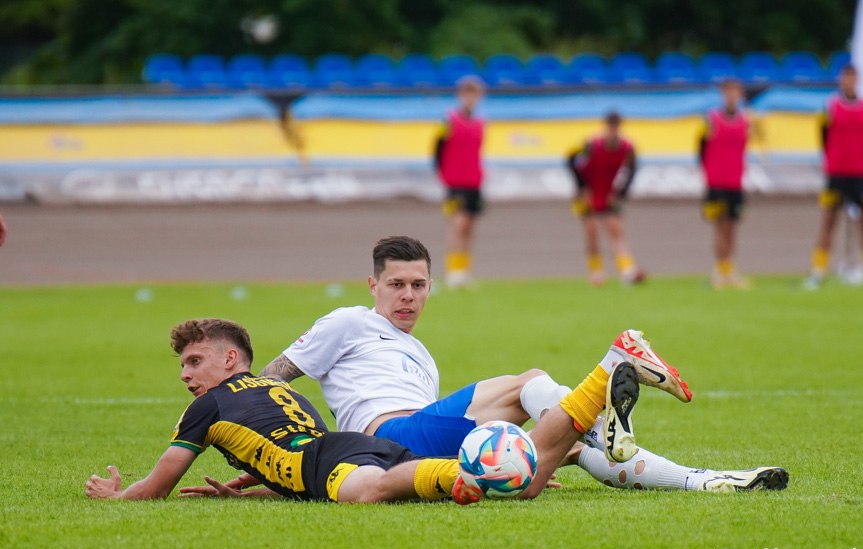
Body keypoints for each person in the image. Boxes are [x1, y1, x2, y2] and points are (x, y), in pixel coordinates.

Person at [255, 236, 787, 493]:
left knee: (559, 455)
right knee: (530, 382)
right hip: (387, 437)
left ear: (431, 286)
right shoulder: (347, 320)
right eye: (396, 285)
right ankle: (610, 372)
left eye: (419, 285)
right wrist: (278, 456)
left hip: (420, 448)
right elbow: (271, 382)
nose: (408, 296)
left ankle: (707, 481)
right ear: (373, 286)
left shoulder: (418, 350)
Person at [85, 319, 467, 504]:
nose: (185, 375)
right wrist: (254, 493)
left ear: (230, 358)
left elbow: (157, 488)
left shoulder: (207, 406)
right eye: (183, 366)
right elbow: (307, 460)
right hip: (355, 447)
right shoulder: (281, 388)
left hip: (330, 459)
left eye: (195, 361)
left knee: (368, 492)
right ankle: (496, 473)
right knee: (404, 483)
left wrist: (116, 498)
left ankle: (480, 474)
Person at [566, 111, 645, 286]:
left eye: (616, 128)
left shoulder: (627, 148)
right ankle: (596, 272)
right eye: (611, 128)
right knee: (592, 231)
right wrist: (582, 189)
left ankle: (627, 271)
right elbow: (571, 161)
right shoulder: (591, 145)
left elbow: (632, 171)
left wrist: (620, 193)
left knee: (615, 230)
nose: (613, 131)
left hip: (609, 192)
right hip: (590, 192)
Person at [805, 64, 863, 289]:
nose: (848, 81)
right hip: (836, 173)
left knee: (860, 223)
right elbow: (823, 136)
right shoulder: (830, 107)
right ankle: (818, 270)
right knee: (829, 221)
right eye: (845, 77)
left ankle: (857, 267)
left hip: (859, 173)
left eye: (852, 77)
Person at [699, 78, 752, 289]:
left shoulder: (745, 120)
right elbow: (701, 148)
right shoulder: (712, 119)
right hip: (717, 182)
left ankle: (729, 268)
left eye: (735, 92)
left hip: (736, 181)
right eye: (728, 92)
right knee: (720, 226)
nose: (732, 96)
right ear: (722, 94)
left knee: (733, 227)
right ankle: (720, 270)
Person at [434, 76, 485, 289]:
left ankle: (464, 271)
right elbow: (437, 150)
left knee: (470, 228)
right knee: (458, 224)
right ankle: (453, 271)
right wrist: (443, 176)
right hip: (455, 183)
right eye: (467, 93)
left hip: (474, 181)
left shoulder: (481, 123)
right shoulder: (449, 121)